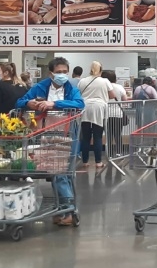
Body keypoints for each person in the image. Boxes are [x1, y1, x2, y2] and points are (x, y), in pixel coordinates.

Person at [17, 57, 85, 226]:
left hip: (68, 133)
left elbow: (79, 103)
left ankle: (67, 210)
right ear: (51, 73)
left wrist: (53, 103)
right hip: (47, 133)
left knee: (62, 173)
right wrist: (30, 103)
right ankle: (63, 209)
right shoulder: (40, 87)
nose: (62, 75)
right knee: (56, 172)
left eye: (65, 72)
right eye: (59, 72)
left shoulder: (71, 88)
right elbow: (19, 102)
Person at [77, 62, 114, 169]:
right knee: (97, 136)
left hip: (84, 107)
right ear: (101, 71)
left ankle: (85, 161)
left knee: (86, 137)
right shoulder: (105, 81)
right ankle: (98, 162)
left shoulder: (82, 81)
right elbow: (112, 95)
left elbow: (78, 94)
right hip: (99, 108)